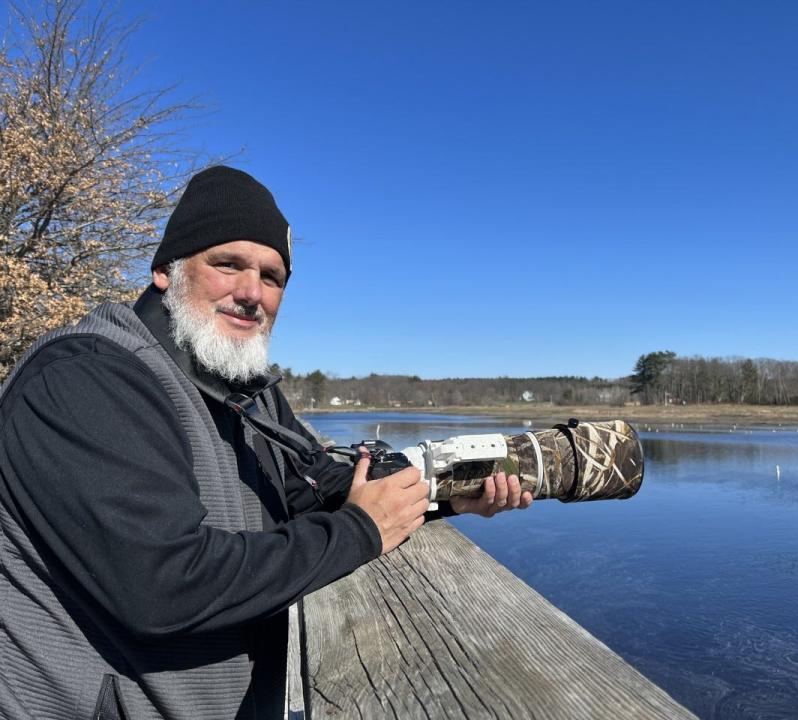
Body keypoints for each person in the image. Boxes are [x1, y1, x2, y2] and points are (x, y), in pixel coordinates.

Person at [0, 166, 533, 719]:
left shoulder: (240, 388)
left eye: (273, 277)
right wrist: (357, 533)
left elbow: (313, 486)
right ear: (165, 270)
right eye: (228, 264)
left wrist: (444, 488)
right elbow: (163, 585)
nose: (252, 293)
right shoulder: (87, 378)